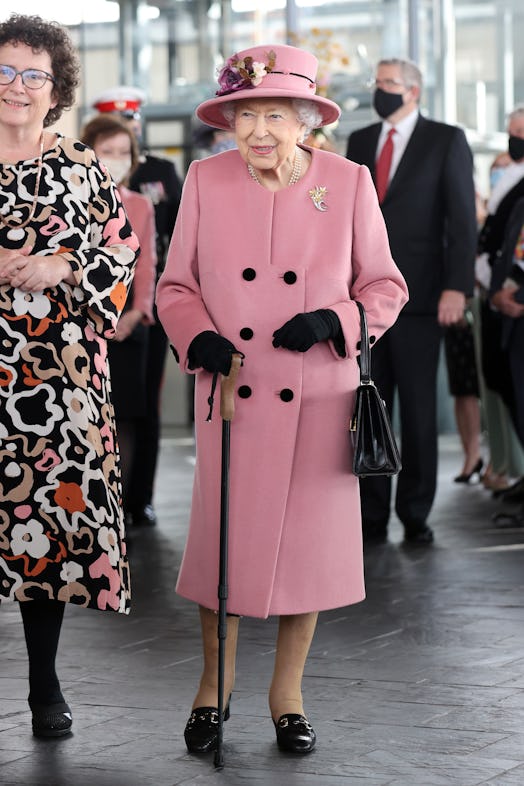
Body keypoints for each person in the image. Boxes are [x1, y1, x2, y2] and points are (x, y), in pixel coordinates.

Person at [156, 43, 408, 755]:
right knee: (221, 556)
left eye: (273, 115)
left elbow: (385, 286)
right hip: (234, 398)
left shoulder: (348, 182)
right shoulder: (204, 182)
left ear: (304, 121)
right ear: (228, 123)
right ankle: (212, 691)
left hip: (317, 401)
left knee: (309, 558)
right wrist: (197, 336)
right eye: (244, 116)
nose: (258, 131)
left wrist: (336, 321)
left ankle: (288, 698)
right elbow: (176, 289)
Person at [0, 14, 139, 737]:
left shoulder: (82, 165)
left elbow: (122, 254)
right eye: (4, 71)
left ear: (55, 89)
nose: (17, 87)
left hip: (59, 378)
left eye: (33, 75)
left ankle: (43, 683)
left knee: (44, 527)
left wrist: (66, 266)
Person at [346, 58, 477, 544]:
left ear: (414, 91)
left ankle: (416, 511)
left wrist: (456, 287)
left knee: (419, 410)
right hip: (363, 301)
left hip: (423, 299)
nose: (379, 91)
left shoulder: (446, 140)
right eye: (376, 84)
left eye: (388, 84)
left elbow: (462, 221)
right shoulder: (360, 142)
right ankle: (371, 514)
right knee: (369, 406)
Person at [92, 87, 183, 527]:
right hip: (86, 319)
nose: (116, 153)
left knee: (140, 410)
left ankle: (136, 500)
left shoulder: (158, 176)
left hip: (139, 311)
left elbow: (156, 253)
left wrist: (137, 312)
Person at [80, 114, 157, 527]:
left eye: (122, 153)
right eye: (106, 152)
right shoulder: (71, 199)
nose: (115, 160)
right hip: (80, 327)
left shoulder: (140, 205)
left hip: (127, 328)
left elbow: (146, 267)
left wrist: (135, 314)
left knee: (126, 418)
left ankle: (121, 509)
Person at [476, 107, 524, 501]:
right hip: (499, 296)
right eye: (511, 132)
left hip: (517, 299)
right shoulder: (509, 175)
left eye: (520, 133)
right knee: (507, 383)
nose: (514, 140)